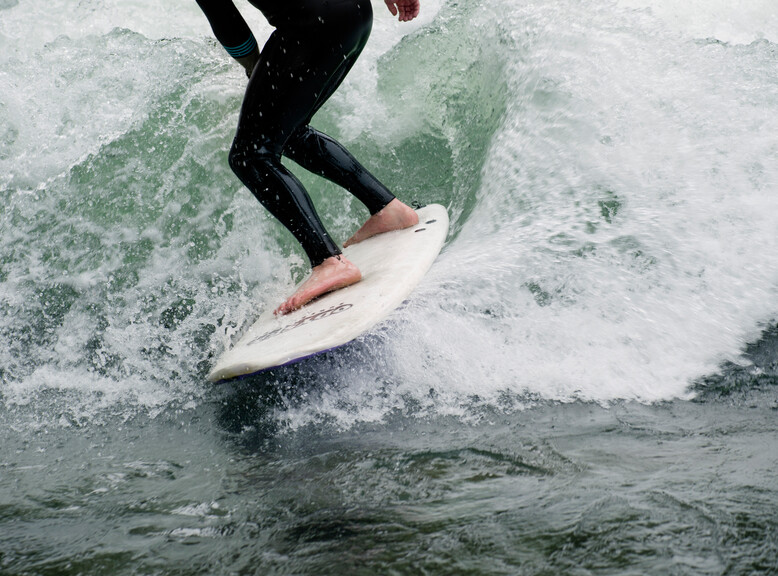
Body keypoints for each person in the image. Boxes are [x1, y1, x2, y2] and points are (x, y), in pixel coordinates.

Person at [195, 0, 422, 314]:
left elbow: (226, 20)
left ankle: (329, 261)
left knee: (250, 156)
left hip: (313, 24)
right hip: (355, 14)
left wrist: (253, 66)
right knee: (287, 132)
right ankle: (388, 209)